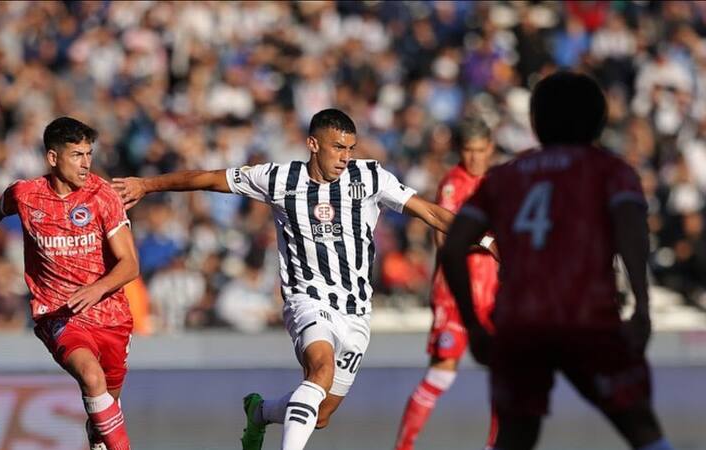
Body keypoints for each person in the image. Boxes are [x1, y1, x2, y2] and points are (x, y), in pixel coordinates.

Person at [112, 108, 493, 450]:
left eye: (350, 148)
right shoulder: (278, 179)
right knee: (320, 369)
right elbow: (209, 178)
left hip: (357, 311)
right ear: (313, 144)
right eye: (337, 148)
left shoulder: (370, 177)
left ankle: (260, 413)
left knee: (322, 412)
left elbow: (430, 212)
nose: (345, 157)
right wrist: (147, 185)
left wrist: (488, 240)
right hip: (307, 299)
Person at [441, 71, 674, 450]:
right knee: (640, 427)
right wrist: (643, 308)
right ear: (599, 120)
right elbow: (632, 233)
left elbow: (453, 247)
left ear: (535, 122)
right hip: (588, 317)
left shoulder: (505, 176)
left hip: (520, 323)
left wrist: (475, 326)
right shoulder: (611, 171)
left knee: (515, 436)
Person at [0, 117, 138, 450]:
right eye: (77, 155)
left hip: (110, 315)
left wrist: (97, 288)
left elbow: (130, 265)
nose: (86, 163)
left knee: (107, 403)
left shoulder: (103, 197)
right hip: (58, 312)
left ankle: (99, 436)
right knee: (91, 376)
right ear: (53, 157)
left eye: (89, 154)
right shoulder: (26, 194)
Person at [394, 117, 499, 450]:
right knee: (442, 372)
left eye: (480, 150)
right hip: (455, 292)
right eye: (468, 150)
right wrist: (490, 241)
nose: (474, 158)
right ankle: (403, 447)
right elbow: (445, 243)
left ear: (490, 149)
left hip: (494, 293)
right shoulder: (453, 184)